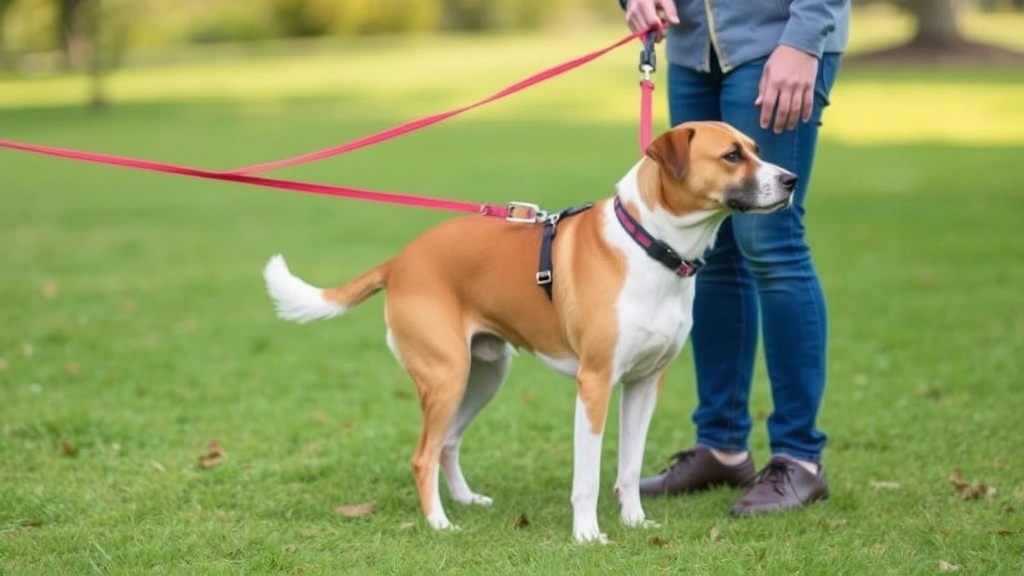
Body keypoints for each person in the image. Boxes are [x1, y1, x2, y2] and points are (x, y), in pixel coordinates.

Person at [623, 0, 850, 516]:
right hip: (692, 44)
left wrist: (805, 35)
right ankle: (721, 447)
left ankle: (800, 458)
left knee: (772, 244)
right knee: (712, 245)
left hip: (778, 40)